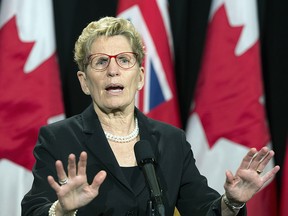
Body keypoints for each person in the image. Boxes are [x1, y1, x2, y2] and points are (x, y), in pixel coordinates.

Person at [21, 16, 280, 216]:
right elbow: (34, 209)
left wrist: (231, 202)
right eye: (100, 62)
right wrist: (62, 210)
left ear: (141, 77)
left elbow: (202, 209)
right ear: (84, 82)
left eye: (124, 60)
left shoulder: (171, 141)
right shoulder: (60, 138)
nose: (113, 71)